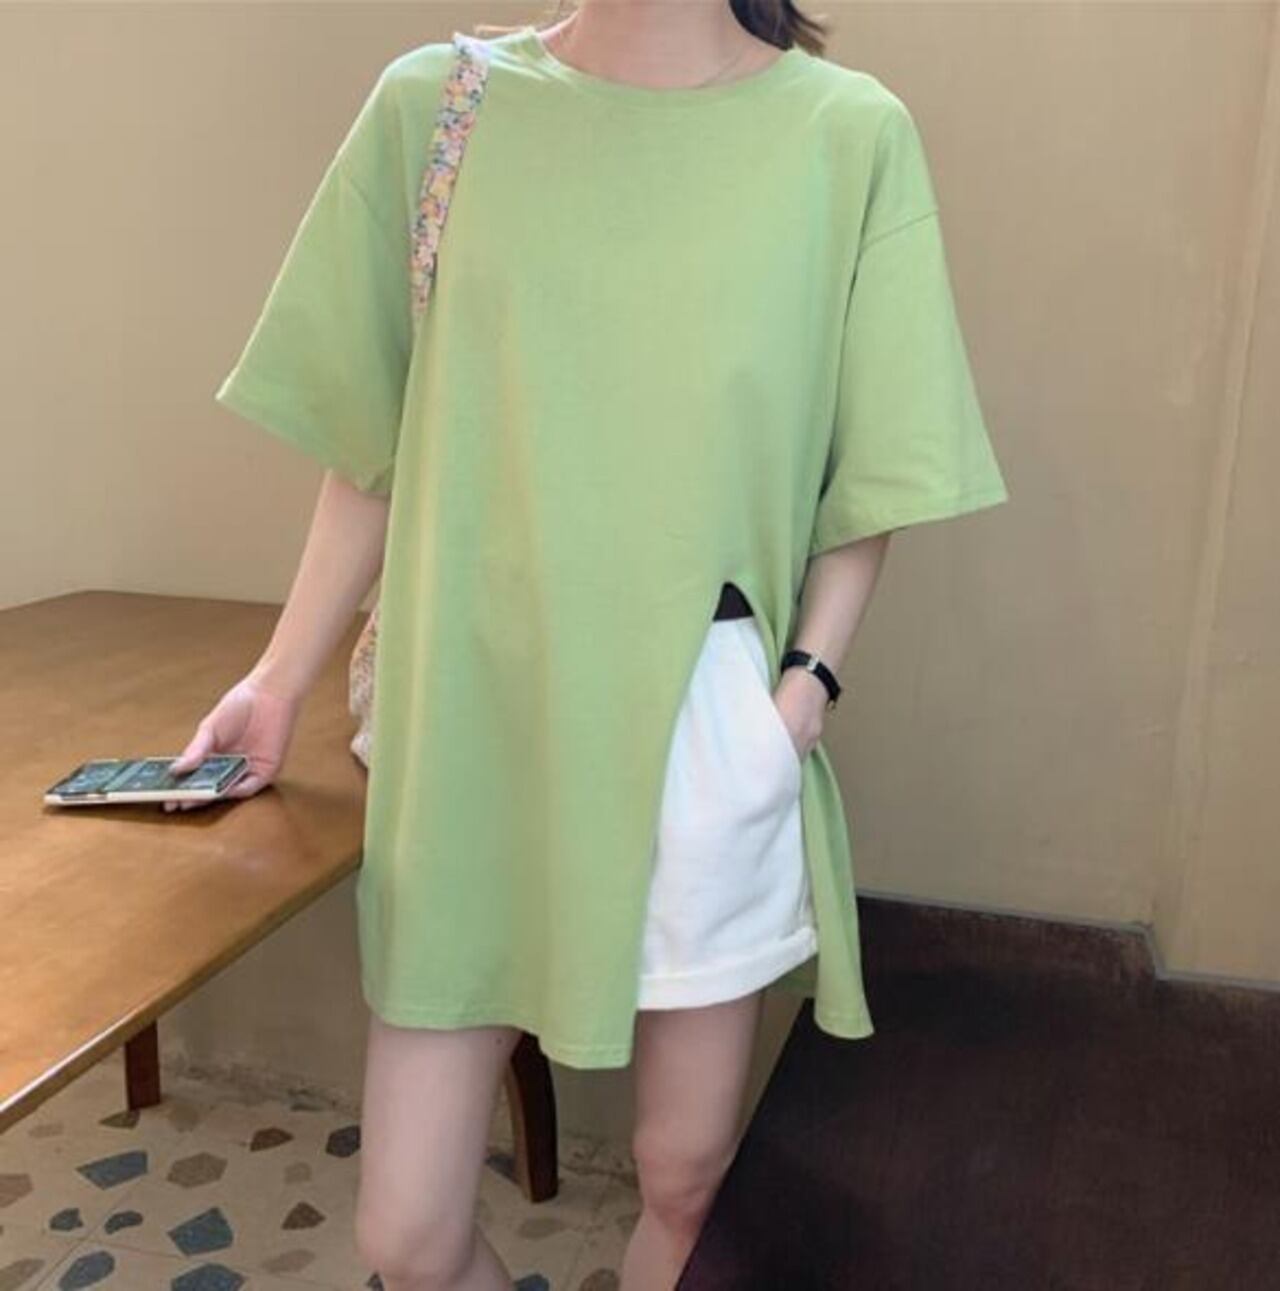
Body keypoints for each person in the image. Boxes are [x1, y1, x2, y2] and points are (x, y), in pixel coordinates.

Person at [170, 2, 1010, 1287]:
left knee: (683, 1176)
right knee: (406, 1233)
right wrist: (279, 678)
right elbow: (372, 442)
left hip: (701, 724)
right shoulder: (438, 107)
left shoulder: (845, 136)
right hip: (473, 723)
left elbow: (879, 462)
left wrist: (801, 691)